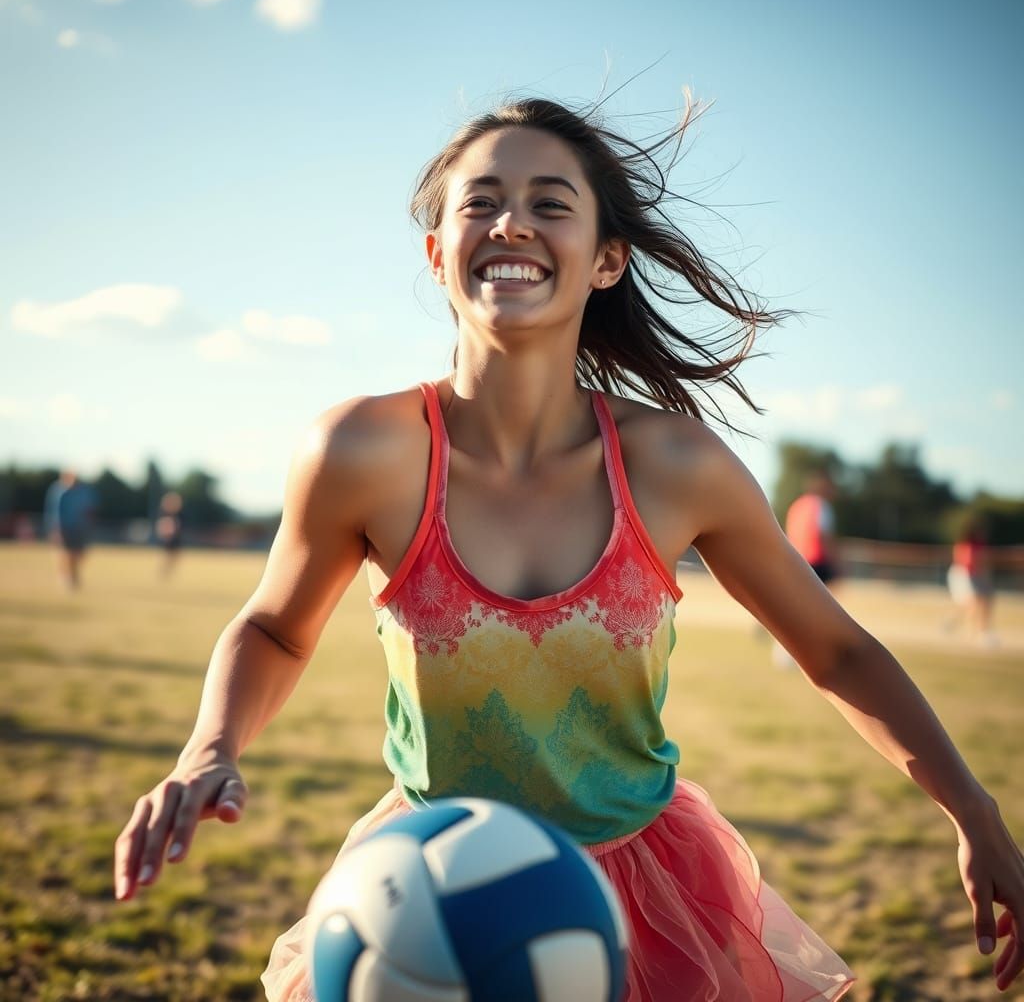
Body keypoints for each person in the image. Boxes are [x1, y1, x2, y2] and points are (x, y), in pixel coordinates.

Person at [113, 94, 1024, 1000]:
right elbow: (275, 628)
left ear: (605, 260)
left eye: (551, 203)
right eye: (481, 202)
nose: (512, 222)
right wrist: (209, 746)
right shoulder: (362, 451)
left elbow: (835, 648)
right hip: (428, 892)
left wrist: (973, 811)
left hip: (651, 900)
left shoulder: (675, 463)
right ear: (439, 254)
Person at [773, 472, 840, 668]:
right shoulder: (822, 507)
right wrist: (835, 563)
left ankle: (785, 652)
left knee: (796, 609)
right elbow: (823, 536)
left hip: (796, 561)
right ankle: (798, 654)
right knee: (813, 612)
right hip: (816, 562)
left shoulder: (797, 506)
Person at [946, 516, 997, 647]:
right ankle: (968, 632)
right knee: (972, 604)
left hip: (977, 575)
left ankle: (983, 632)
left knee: (984, 603)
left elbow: (983, 563)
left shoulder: (980, 545)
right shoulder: (965, 545)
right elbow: (967, 562)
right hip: (965, 575)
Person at [43, 468, 97, 591]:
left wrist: (90, 525)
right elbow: (54, 512)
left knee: (79, 554)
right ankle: (67, 578)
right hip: (64, 528)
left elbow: (91, 510)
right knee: (65, 554)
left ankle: (73, 575)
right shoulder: (59, 492)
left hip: (80, 528)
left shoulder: (84, 492)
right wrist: (56, 530)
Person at [155, 491, 185, 581]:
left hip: (175, 539)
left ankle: (165, 572)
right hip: (170, 539)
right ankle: (164, 572)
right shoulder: (166, 516)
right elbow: (164, 528)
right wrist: (167, 537)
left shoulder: (176, 516)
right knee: (171, 557)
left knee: (173, 557)